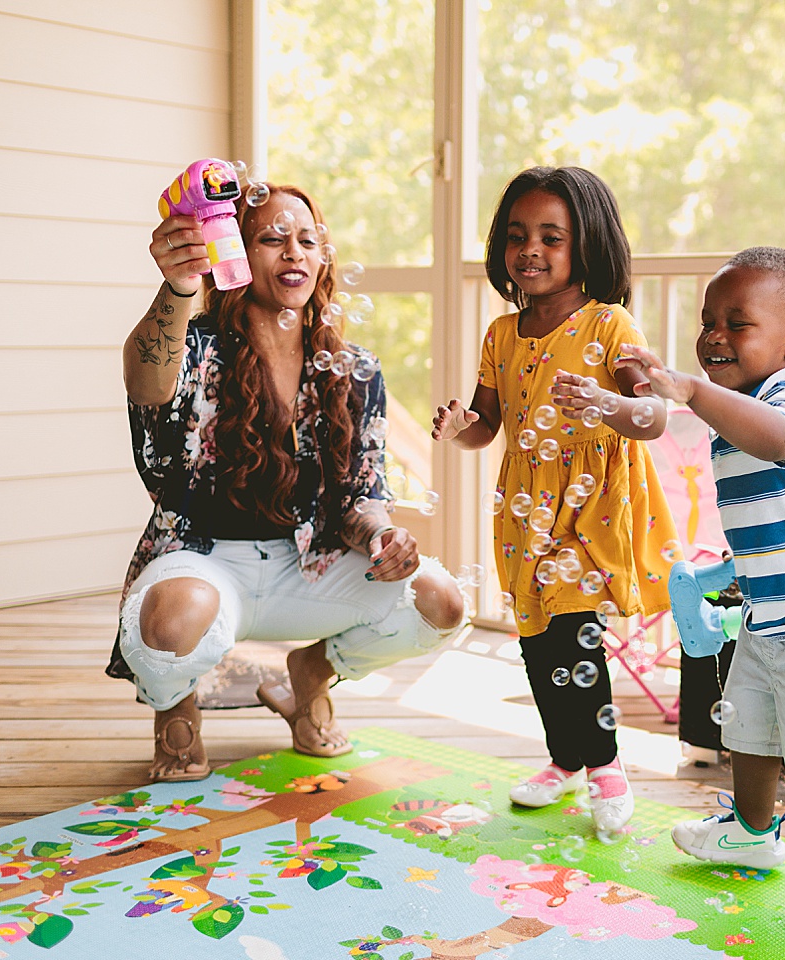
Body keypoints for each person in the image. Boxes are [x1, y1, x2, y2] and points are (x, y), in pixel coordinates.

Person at [108, 182, 467, 783]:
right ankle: (176, 703)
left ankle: (312, 674)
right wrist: (177, 288)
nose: (293, 252)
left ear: (323, 259)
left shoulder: (355, 370)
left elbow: (363, 493)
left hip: (309, 567)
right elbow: (146, 384)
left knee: (442, 601)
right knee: (169, 626)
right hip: (205, 561)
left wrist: (382, 535)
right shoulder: (192, 347)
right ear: (235, 254)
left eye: (307, 240)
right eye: (271, 239)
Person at [617, 246, 785, 933]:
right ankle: (752, 830)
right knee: (752, 729)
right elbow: (773, 511)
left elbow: (777, 443)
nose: (713, 335)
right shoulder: (739, 406)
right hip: (770, 614)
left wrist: (692, 391)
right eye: (708, 320)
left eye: (737, 323)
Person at [431, 166, 680, 836]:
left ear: (587, 246)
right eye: (516, 236)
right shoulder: (501, 336)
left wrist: (606, 402)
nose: (529, 250)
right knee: (538, 638)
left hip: (591, 502)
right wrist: (459, 427)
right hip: (525, 507)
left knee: (573, 628)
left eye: (551, 236)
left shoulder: (608, 324)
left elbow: (651, 415)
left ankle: (606, 767)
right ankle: (564, 759)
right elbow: (487, 427)